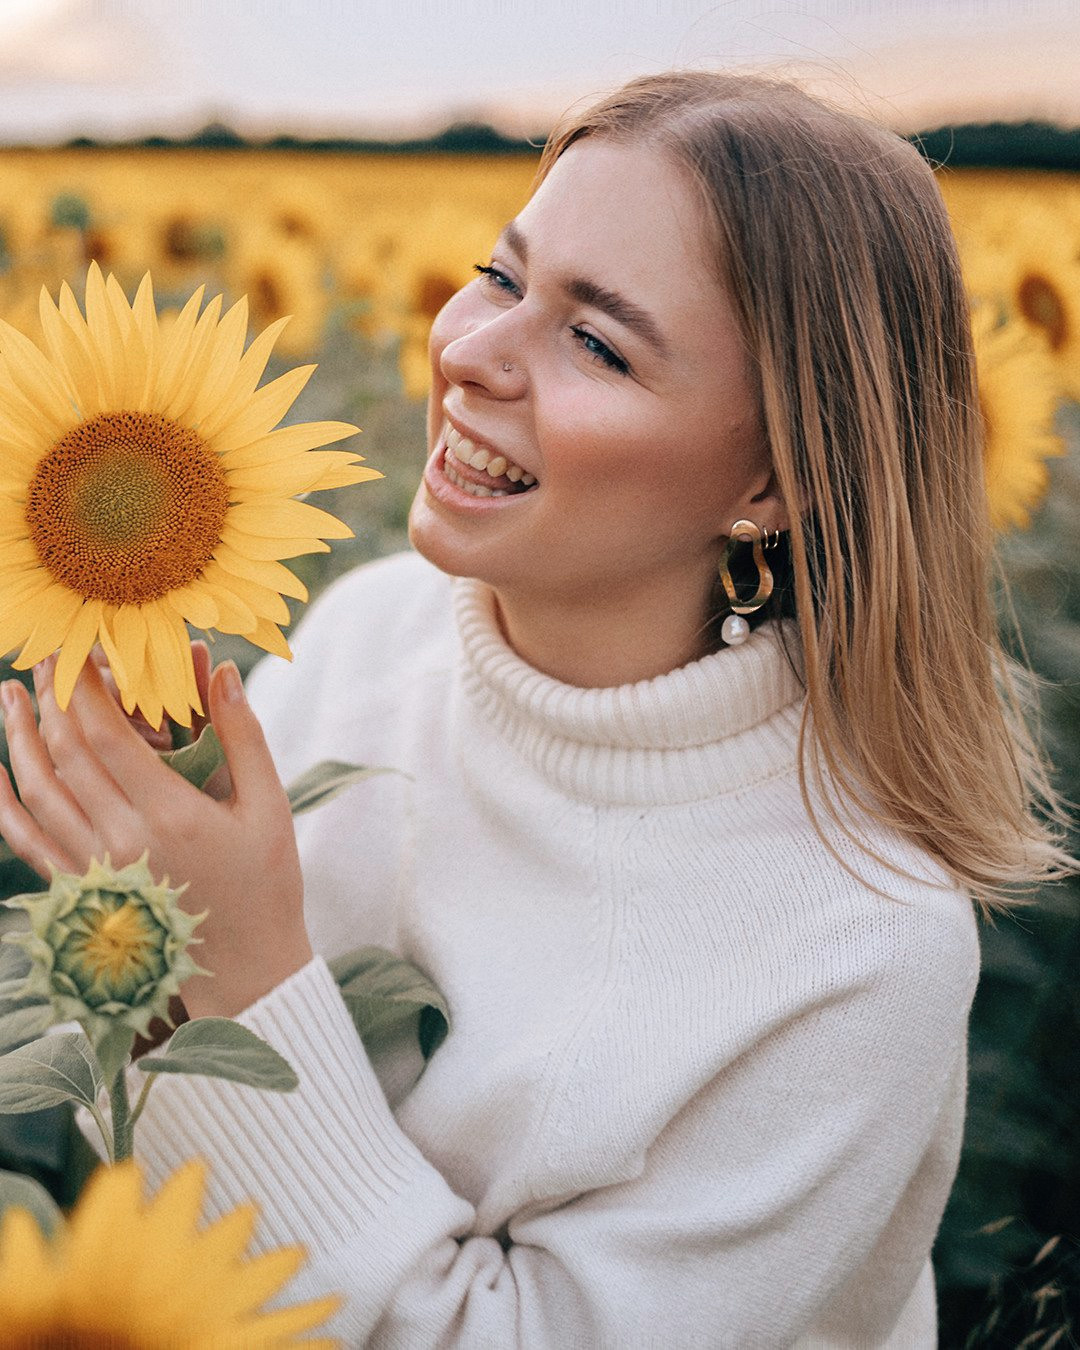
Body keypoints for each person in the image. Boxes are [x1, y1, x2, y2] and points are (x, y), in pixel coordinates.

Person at [0, 70, 1070, 1347]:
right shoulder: (369, 629)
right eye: (501, 277)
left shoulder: (855, 943)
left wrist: (236, 978)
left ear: (776, 479)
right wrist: (118, 937)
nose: (463, 349)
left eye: (598, 342)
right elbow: (131, 1167)